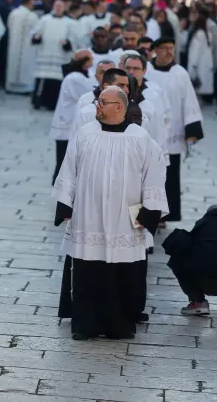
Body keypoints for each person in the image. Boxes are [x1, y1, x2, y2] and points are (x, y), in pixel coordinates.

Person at [53, 86, 168, 340]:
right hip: (88, 215)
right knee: (86, 271)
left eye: (103, 102)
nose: (98, 105)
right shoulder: (85, 133)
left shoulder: (140, 137)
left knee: (122, 273)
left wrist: (149, 212)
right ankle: (85, 326)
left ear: (119, 107)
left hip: (124, 218)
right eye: (98, 101)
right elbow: (69, 168)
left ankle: (120, 325)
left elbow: (154, 176)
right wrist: (65, 204)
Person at [147, 37, 204, 224]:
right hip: (150, 131)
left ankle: (165, 214)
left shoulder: (180, 73)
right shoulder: (147, 71)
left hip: (172, 133)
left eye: (171, 48)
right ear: (155, 50)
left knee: (170, 176)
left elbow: (189, 101)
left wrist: (192, 130)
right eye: (164, 48)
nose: (169, 52)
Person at [49, 50, 94, 183]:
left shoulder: (79, 76)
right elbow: (88, 96)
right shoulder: (75, 78)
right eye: (91, 59)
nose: (93, 63)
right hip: (68, 124)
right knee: (64, 160)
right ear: (85, 62)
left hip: (69, 123)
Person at [30, 0, 76, 110]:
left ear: (64, 8)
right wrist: (37, 37)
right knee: (42, 78)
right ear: (53, 7)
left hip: (60, 55)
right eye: (57, 6)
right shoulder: (45, 19)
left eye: (61, 6)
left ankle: (52, 104)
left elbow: (73, 38)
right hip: (45, 54)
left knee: (56, 81)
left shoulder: (69, 22)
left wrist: (68, 42)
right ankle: (37, 102)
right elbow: (35, 33)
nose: (59, 8)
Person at [6, 0, 40, 94]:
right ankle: (26, 88)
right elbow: (37, 30)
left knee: (14, 63)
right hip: (27, 45)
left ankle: (11, 87)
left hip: (15, 44)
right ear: (28, 3)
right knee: (26, 63)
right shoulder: (33, 16)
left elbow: (9, 25)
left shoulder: (14, 13)